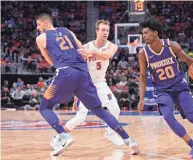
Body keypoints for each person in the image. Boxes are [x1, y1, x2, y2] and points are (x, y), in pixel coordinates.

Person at [36, 13, 139, 156]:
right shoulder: (68, 31)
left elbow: (50, 61)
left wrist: (62, 59)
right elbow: (80, 49)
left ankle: (63, 136)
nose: (38, 28)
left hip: (66, 73)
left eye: (38, 25)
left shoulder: (41, 38)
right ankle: (130, 140)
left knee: (44, 107)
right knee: (100, 111)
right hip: (84, 75)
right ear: (97, 31)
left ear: (45, 23)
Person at [137, 18, 193, 159]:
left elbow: (188, 60)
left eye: (146, 33)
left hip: (179, 87)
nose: (143, 36)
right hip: (162, 91)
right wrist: (141, 99)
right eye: (142, 33)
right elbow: (143, 77)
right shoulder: (143, 53)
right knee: (168, 117)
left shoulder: (171, 46)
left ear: (155, 33)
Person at [51, 20, 124, 148]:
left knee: (116, 110)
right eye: (102, 30)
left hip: (101, 84)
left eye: (107, 30)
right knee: (79, 118)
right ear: (97, 31)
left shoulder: (112, 46)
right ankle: (59, 137)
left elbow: (107, 55)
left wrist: (92, 53)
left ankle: (110, 133)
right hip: (86, 85)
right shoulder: (85, 47)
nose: (105, 32)